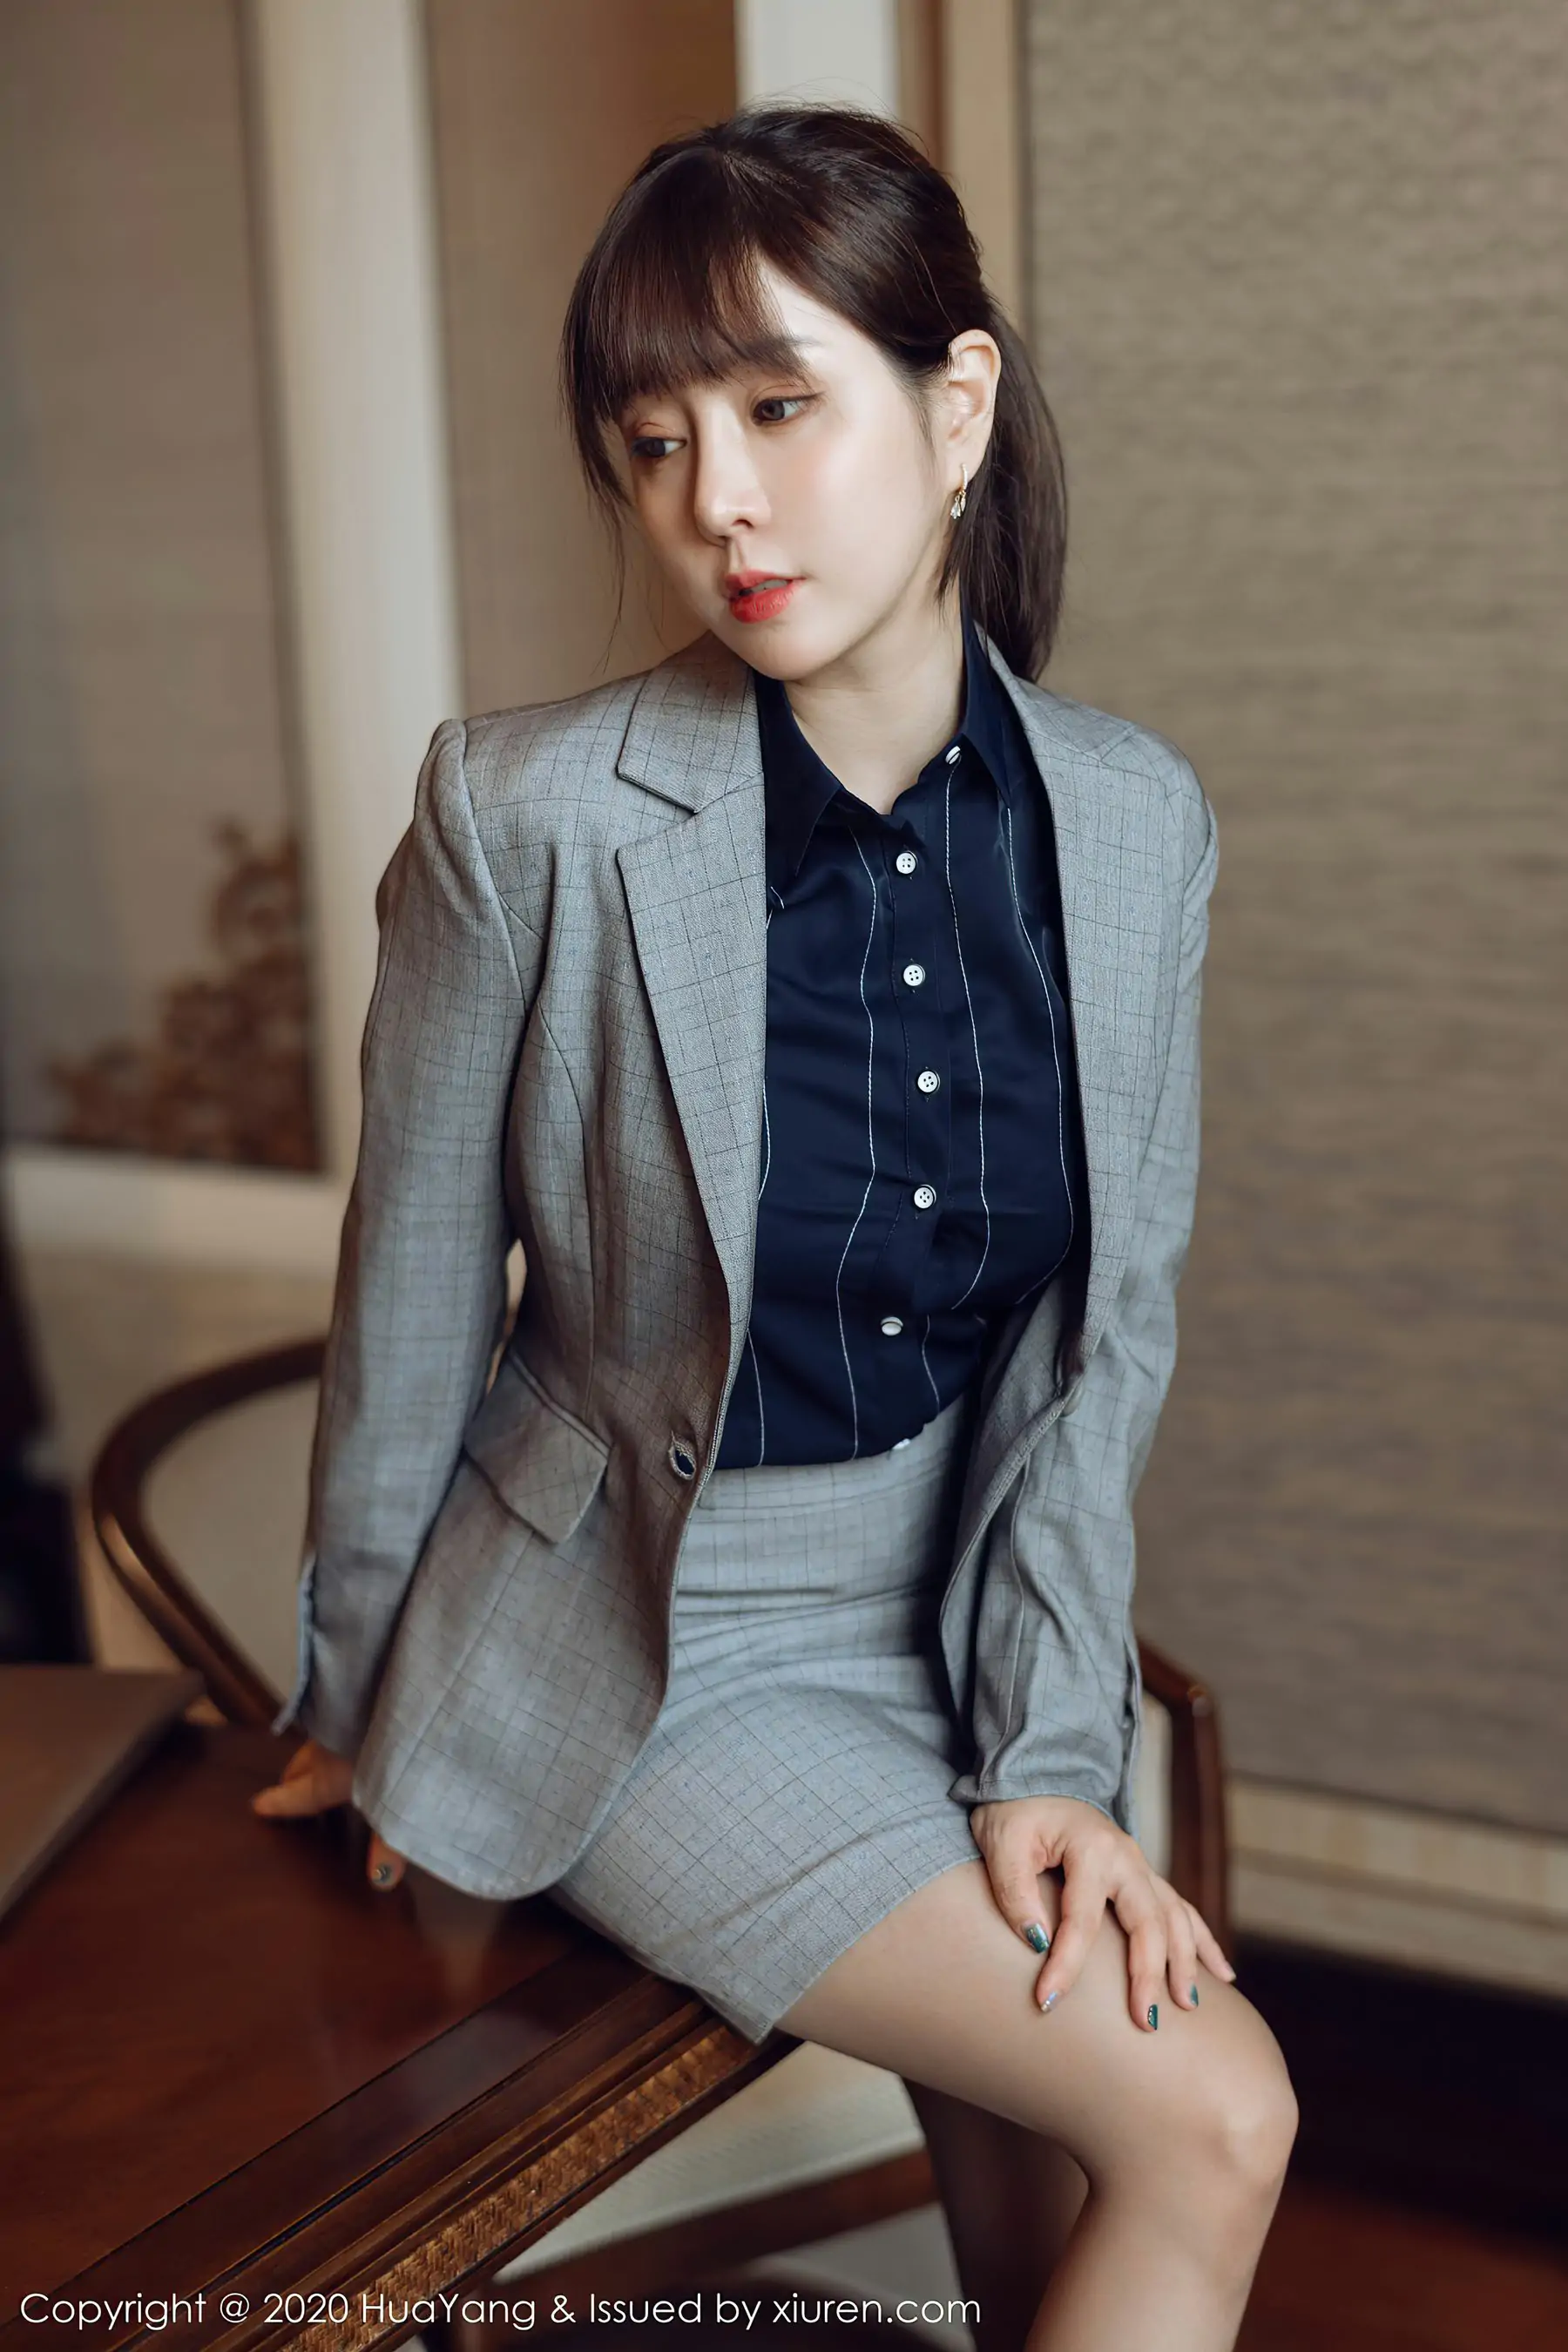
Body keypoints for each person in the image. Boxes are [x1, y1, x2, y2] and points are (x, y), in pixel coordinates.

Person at [253, 101, 1297, 2350]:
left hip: (970, 1614)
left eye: (778, 407)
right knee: (1212, 2113)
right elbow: (413, 1287)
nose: (714, 498)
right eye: (655, 441)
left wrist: (1047, 1749)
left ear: (957, 404)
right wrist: (362, 1695)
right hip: (652, 1645)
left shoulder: (1133, 823)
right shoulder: (530, 810)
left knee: (1066, 2221)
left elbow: (1097, 1346)